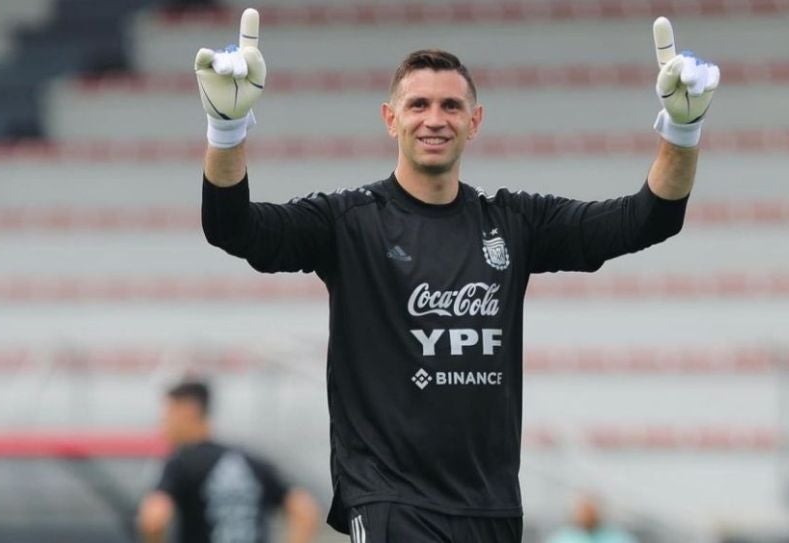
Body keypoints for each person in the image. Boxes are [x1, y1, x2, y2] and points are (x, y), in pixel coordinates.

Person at [194, 9, 719, 542]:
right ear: (389, 118)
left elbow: (646, 219)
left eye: (451, 105)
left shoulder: (514, 222)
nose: (434, 118)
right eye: (417, 104)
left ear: (475, 121)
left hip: (491, 509)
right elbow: (233, 227)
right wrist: (227, 127)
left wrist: (682, 129)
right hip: (391, 502)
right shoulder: (348, 221)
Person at [137, 380, 320, 543]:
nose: (162, 423)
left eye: (168, 413)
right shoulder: (251, 461)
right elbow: (305, 510)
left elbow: (154, 519)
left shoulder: (182, 464)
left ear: (188, 410)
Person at [546, 495, 637, 543]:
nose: (586, 516)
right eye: (582, 511)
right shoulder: (563, 538)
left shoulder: (617, 537)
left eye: (590, 511)